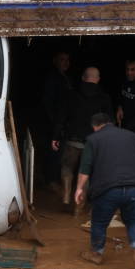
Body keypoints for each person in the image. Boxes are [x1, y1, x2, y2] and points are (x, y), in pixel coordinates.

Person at [74, 112, 135, 268]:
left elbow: (85, 168)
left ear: (95, 126)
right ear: (111, 123)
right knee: (134, 220)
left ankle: (96, 254)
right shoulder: (132, 136)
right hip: (134, 187)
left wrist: (79, 189)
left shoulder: (93, 139)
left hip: (107, 189)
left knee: (99, 222)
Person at [53, 67, 113, 207]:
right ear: (98, 79)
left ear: (83, 78)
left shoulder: (70, 94)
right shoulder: (104, 98)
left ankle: (67, 195)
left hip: (72, 140)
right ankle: (79, 206)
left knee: (67, 167)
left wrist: (55, 137)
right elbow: (109, 122)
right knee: (85, 173)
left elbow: (60, 118)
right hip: (93, 143)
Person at [38, 51, 72, 185]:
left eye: (67, 60)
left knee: (59, 151)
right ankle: (51, 180)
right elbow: (47, 102)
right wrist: (55, 124)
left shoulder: (66, 77)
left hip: (62, 121)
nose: (66, 63)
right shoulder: (52, 78)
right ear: (55, 61)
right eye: (62, 59)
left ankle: (53, 178)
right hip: (54, 122)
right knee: (54, 150)